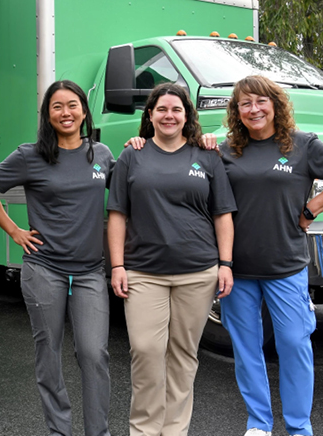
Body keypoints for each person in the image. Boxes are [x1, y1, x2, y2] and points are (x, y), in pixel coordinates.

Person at [204, 75, 323, 436]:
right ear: (237, 111)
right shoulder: (227, 151)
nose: (254, 109)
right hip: (238, 268)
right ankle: (259, 424)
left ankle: (298, 426)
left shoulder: (302, 145)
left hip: (286, 266)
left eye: (261, 101)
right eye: (245, 103)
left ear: (275, 105)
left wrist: (311, 210)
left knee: (294, 344)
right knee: (246, 350)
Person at [0, 80, 114, 436]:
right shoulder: (30, 155)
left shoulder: (101, 154)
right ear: (47, 114)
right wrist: (14, 231)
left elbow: (129, 190)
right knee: (49, 354)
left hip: (89, 272)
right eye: (57, 107)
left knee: (94, 355)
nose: (65, 113)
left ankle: (98, 432)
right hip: (44, 269)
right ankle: (59, 431)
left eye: (72, 105)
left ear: (84, 110)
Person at [107, 82, 236, 436]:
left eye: (176, 110)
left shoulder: (207, 155)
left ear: (186, 116)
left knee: (183, 356)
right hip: (143, 273)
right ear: (150, 115)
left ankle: (175, 431)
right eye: (162, 109)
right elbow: (117, 213)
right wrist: (117, 265)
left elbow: (222, 213)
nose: (169, 115)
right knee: (146, 352)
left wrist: (225, 264)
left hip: (198, 272)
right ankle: (145, 430)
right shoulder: (132, 155)